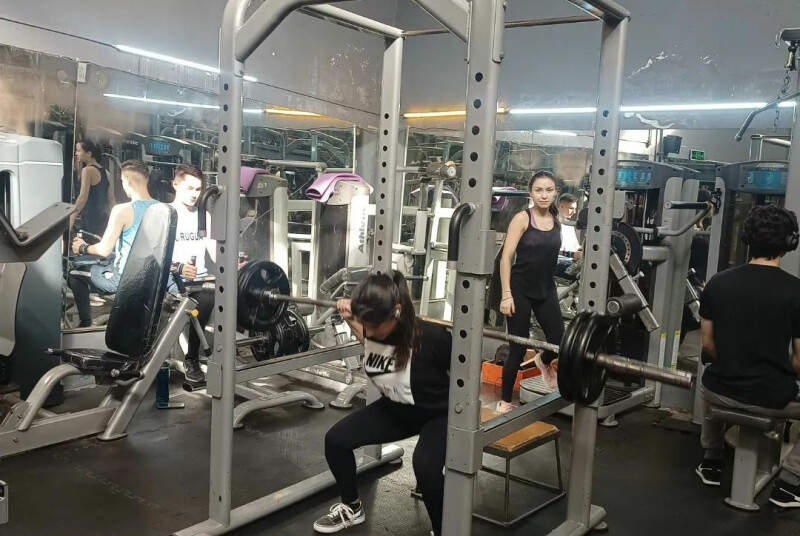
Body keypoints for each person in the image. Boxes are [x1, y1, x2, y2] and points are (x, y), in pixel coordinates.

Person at [313, 271, 451, 535]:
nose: (372, 333)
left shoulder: (434, 337)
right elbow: (371, 343)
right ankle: (352, 507)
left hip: (437, 414)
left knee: (425, 466)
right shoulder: (374, 327)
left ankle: (445, 530)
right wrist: (349, 316)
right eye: (368, 326)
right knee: (336, 440)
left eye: (376, 327)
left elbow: (467, 374)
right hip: (397, 409)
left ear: (397, 312)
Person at [695, 204, 800, 508]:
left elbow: (708, 347)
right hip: (771, 397)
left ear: (747, 238)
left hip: (720, 391)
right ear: (790, 243)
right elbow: (798, 362)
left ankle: (711, 460)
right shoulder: (796, 291)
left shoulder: (717, 283)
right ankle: (790, 483)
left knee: (710, 374)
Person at [497, 171, 564, 412]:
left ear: (555, 192)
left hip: (546, 287)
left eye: (548, 190)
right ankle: (505, 401)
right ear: (531, 193)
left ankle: (542, 361)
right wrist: (506, 294)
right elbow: (506, 258)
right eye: (538, 190)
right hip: (520, 289)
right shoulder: (522, 219)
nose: (543, 195)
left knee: (559, 341)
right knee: (517, 346)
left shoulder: (556, 218)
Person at [68, 160, 157, 327]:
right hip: (153, 278)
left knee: (73, 273)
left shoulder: (122, 210)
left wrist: (82, 247)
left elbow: (103, 250)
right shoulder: (164, 209)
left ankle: (86, 323)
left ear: (128, 180)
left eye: (122, 181)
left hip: (124, 279)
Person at [168, 164, 217, 383]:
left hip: (200, 280)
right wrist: (178, 267)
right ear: (175, 184)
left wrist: (233, 263)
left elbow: (215, 250)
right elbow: (155, 255)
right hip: (173, 280)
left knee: (235, 293)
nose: (194, 194)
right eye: (189, 188)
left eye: (198, 189)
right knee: (205, 300)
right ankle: (192, 359)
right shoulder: (166, 213)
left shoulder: (204, 215)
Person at [72, 139, 115, 236]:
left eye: (78, 150)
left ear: (88, 154)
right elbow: (112, 200)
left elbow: (82, 197)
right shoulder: (107, 173)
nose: (76, 153)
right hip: (103, 221)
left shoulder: (87, 171)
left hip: (90, 220)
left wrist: (72, 216)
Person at [557, 193, 582, 260]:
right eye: (571, 208)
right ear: (561, 206)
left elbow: (576, 247)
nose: (574, 212)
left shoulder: (569, 226)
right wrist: (571, 254)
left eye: (575, 209)